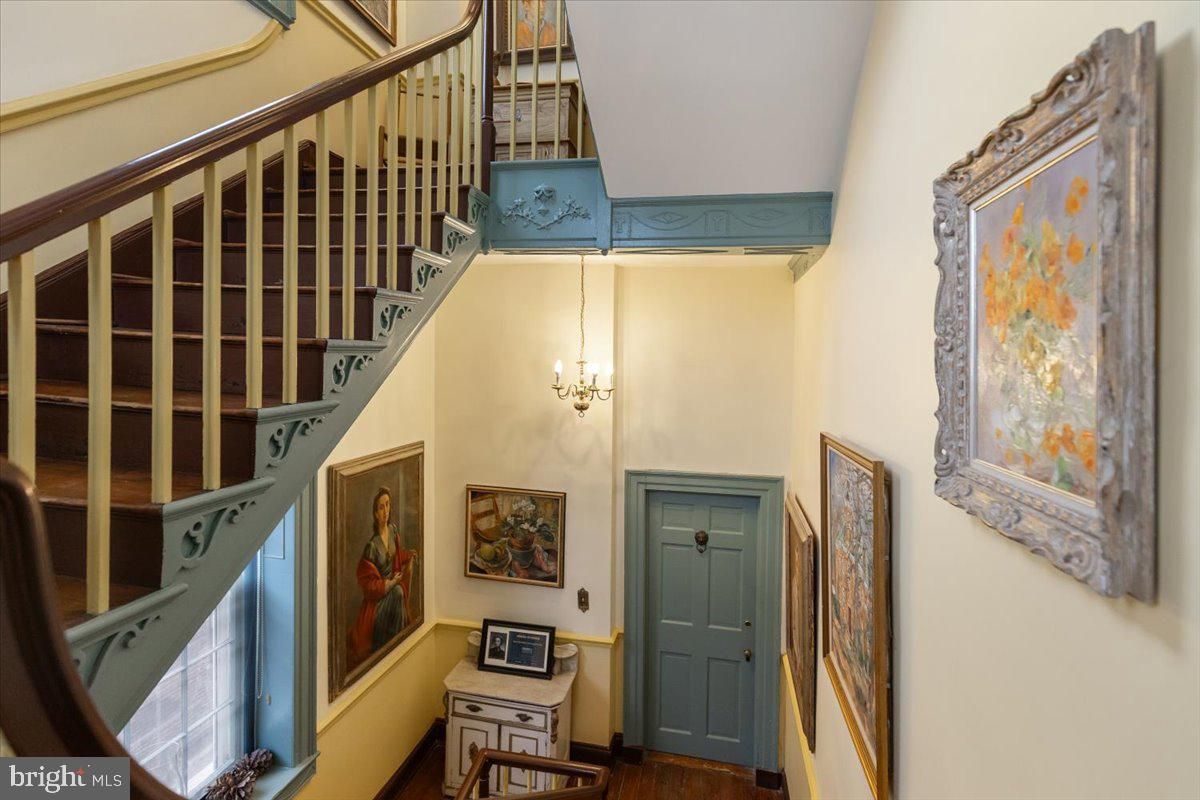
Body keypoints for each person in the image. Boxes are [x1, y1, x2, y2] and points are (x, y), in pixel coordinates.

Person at [347, 487, 417, 671]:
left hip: (392, 592)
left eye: (387, 505)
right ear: (375, 513)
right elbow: (367, 586)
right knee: (398, 592)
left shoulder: (393, 531)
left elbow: (395, 557)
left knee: (398, 592)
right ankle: (398, 645)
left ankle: (400, 648)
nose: (385, 511)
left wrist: (408, 555)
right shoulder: (372, 546)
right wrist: (391, 583)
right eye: (380, 507)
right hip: (377, 602)